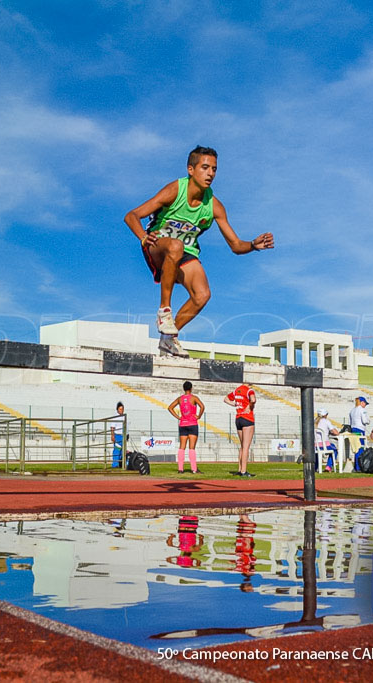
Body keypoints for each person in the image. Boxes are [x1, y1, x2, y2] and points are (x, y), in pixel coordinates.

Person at [124, 146, 275, 357]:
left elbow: (234, 245)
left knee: (202, 295)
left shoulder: (214, 206)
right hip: (158, 245)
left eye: (214, 169)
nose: (210, 173)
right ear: (191, 169)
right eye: (205, 168)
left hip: (185, 252)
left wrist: (252, 245)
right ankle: (164, 311)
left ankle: (168, 339)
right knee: (175, 246)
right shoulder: (175, 190)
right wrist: (142, 236)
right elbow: (131, 215)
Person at [168, 382, 205, 474]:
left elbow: (170, 408)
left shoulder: (180, 398)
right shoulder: (194, 398)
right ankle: (194, 469)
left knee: (182, 447)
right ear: (191, 388)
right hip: (192, 423)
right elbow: (202, 406)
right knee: (191, 448)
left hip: (183, 424)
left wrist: (178, 417)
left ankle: (180, 469)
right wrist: (199, 416)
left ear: (183, 388)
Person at [225, 383, 257, 477]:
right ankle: (244, 471)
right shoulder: (249, 390)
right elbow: (253, 399)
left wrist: (234, 404)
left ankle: (240, 469)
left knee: (242, 446)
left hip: (238, 418)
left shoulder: (237, 390)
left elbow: (226, 399)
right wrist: (249, 405)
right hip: (247, 418)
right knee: (246, 447)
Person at [110, 402, 125, 468]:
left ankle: (121, 464)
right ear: (117, 409)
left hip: (123, 436)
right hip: (117, 436)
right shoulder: (115, 417)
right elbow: (112, 427)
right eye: (120, 409)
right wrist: (112, 436)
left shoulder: (124, 417)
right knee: (117, 450)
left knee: (122, 451)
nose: (121, 410)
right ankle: (115, 464)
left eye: (122, 409)